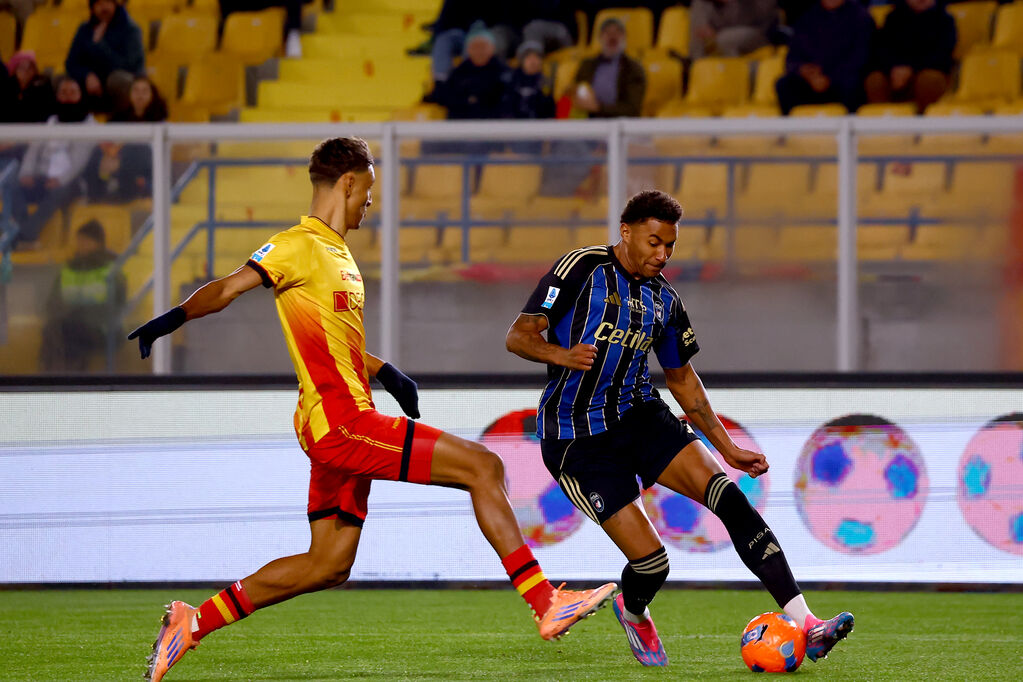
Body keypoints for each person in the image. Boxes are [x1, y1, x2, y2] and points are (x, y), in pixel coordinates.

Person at [131, 137, 617, 682]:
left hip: (340, 421)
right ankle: (544, 600)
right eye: (368, 189)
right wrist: (169, 320)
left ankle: (191, 624)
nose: (371, 202)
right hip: (341, 423)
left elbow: (337, 344)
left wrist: (385, 372)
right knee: (485, 466)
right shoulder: (297, 245)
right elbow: (226, 289)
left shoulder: (338, 255)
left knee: (329, 563)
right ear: (349, 182)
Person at [505, 190, 854, 667]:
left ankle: (809, 625)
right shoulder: (581, 268)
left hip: (641, 417)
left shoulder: (664, 298)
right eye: (653, 242)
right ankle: (634, 608)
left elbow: (682, 380)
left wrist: (728, 448)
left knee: (730, 499)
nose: (662, 254)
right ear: (625, 232)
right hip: (577, 441)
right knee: (652, 564)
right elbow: (519, 336)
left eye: (669, 245)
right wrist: (560, 354)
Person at [9, 76, 96, 249]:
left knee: (60, 190)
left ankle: (25, 235)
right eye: (64, 93)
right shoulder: (50, 123)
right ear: (58, 97)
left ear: (80, 95)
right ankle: (27, 233)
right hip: (41, 177)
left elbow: (80, 159)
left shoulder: (90, 126)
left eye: (73, 92)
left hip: (70, 182)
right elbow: (33, 152)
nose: (68, 96)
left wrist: (60, 180)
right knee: (12, 183)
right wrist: (26, 173)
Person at [40, 219, 125, 372]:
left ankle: (72, 379)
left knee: (69, 331)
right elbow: (52, 303)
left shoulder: (112, 270)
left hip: (102, 328)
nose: (80, 244)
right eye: (79, 240)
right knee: (52, 330)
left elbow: (118, 304)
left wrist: (81, 313)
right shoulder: (68, 269)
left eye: (85, 240)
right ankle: (50, 379)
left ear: (98, 243)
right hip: (70, 325)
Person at [774, 0, 874, 115]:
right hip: (812, 81)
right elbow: (792, 57)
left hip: (843, 81)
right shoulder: (807, 18)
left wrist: (829, 78)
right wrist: (803, 70)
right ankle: (790, 131)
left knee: (854, 85)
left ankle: (850, 130)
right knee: (784, 85)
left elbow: (861, 57)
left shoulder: (861, 17)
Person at [864, 0, 956, 113]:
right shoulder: (893, 19)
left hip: (927, 74)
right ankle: (881, 124)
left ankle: (928, 125)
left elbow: (941, 56)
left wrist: (911, 70)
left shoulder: (945, 21)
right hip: (896, 76)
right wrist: (893, 69)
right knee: (875, 80)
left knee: (929, 80)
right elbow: (881, 51)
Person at [86, 76, 167, 202]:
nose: (140, 95)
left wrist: (120, 152)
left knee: (134, 149)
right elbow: (106, 142)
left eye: (145, 91)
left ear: (153, 95)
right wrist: (111, 152)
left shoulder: (161, 123)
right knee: (97, 151)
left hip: (145, 169)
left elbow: (154, 153)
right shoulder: (117, 119)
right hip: (114, 163)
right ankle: (94, 195)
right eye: (136, 91)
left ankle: (126, 189)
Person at [65, 0, 145, 113]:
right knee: (62, 82)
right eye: (99, 4)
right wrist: (86, 75)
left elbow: (128, 66)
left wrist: (100, 45)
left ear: (115, 4)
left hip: (120, 85)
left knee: (118, 80)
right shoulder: (85, 29)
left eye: (107, 2)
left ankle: (123, 122)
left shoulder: (131, 30)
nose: (103, 8)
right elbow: (71, 63)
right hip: (91, 87)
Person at [573, 17, 646, 118]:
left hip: (620, 124)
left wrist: (599, 107)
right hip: (589, 122)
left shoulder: (633, 69)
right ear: (600, 38)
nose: (612, 37)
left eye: (617, 32)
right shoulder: (587, 66)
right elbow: (576, 93)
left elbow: (632, 109)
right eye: (607, 33)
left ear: (624, 37)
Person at [690, 0, 779, 59]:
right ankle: (694, 67)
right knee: (699, 3)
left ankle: (732, 76)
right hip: (720, 31)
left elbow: (766, 16)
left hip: (759, 31)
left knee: (726, 39)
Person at [501, 40, 555, 121]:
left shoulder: (546, 82)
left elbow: (549, 110)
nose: (533, 62)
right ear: (522, 61)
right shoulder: (510, 81)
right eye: (529, 58)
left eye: (537, 57)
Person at [1, 50, 55, 123]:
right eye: (22, 67)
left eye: (30, 67)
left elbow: (47, 111)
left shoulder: (43, 86)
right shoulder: (6, 87)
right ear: (14, 70)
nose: (26, 71)